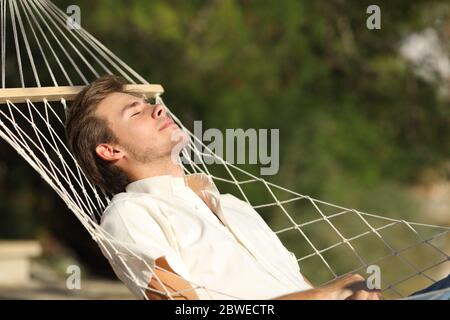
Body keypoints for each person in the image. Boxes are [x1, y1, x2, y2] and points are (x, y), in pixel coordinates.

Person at [65, 75, 383, 300]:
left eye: (148, 103)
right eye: (136, 112)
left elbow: (301, 288)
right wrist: (319, 296)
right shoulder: (129, 216)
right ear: (110, 150)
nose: (158, 109)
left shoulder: (231, 204)